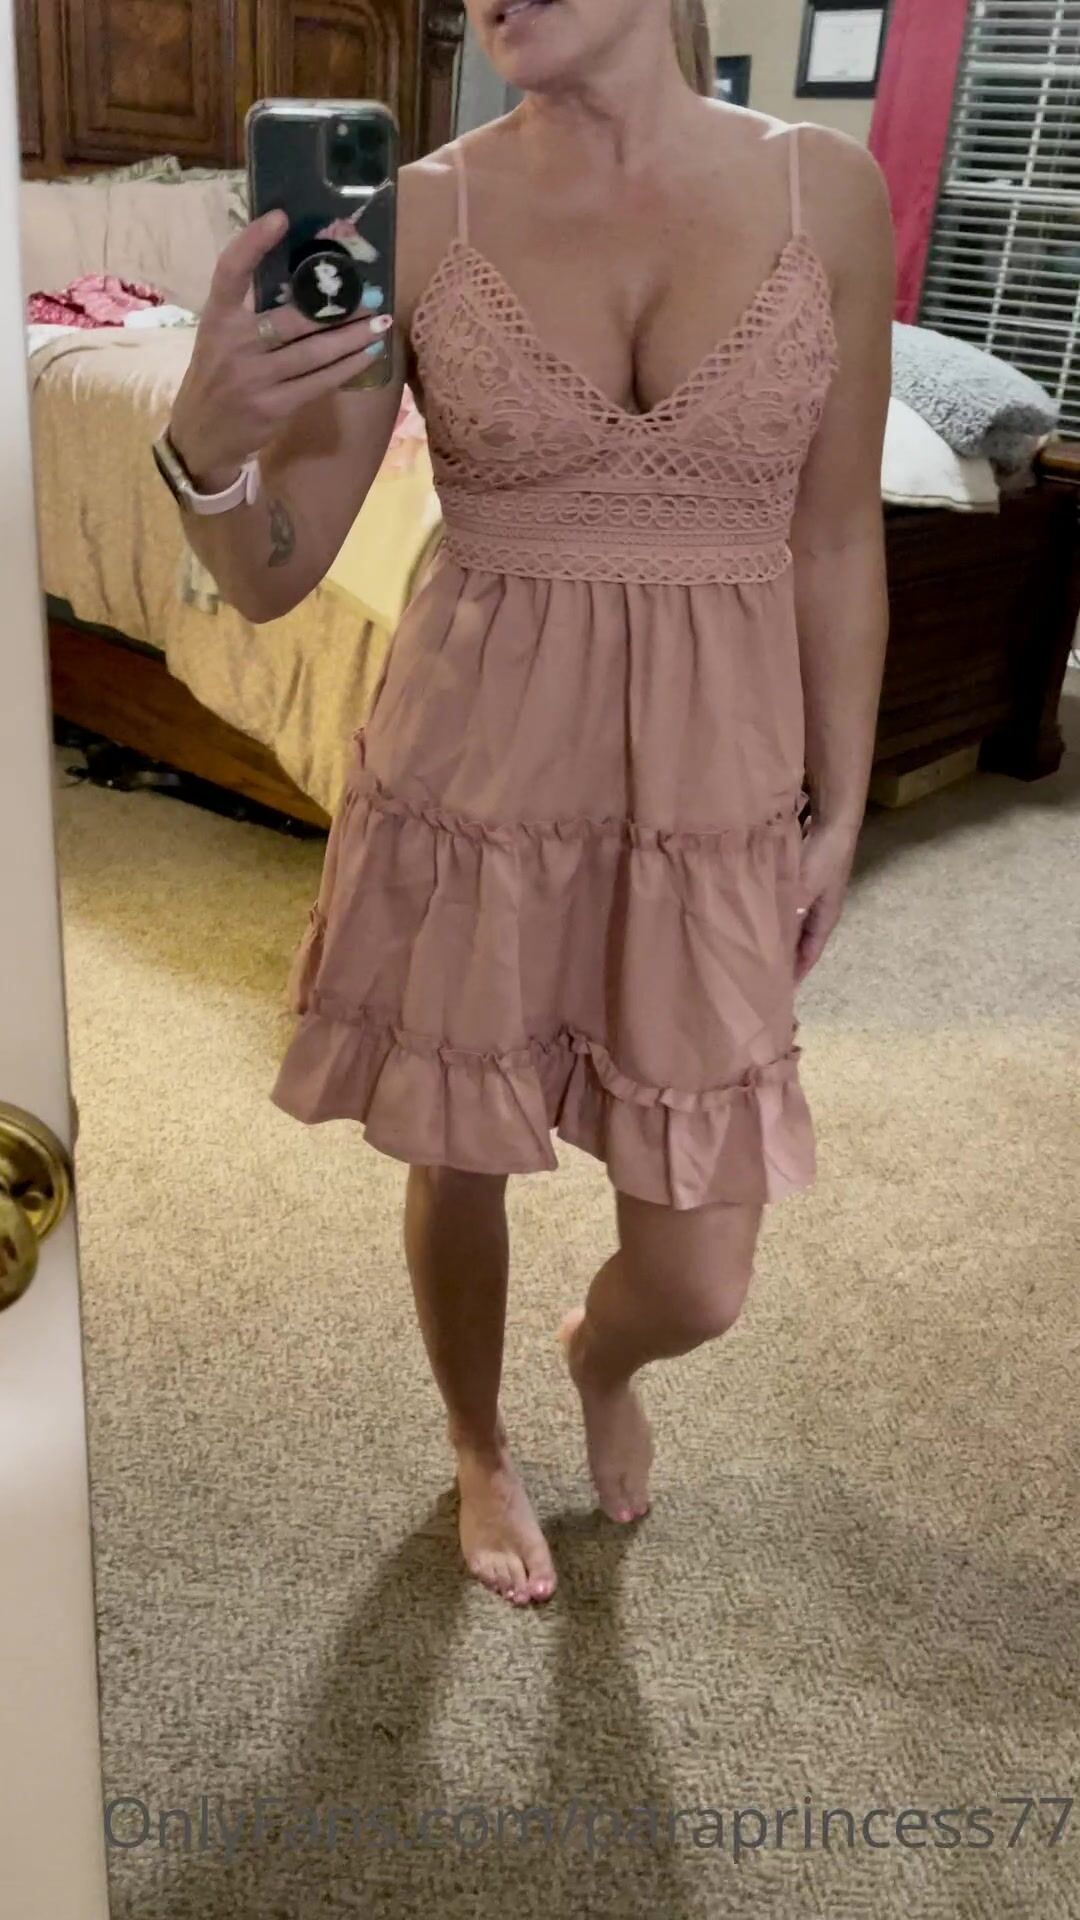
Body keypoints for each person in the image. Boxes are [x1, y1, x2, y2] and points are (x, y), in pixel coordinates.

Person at [165, 0, 894, 1608]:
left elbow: (839, 537)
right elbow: (275, 573)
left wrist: (840, 807)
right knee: (461, 1146)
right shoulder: (414, 211)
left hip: (706, 796)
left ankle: (601, 1357)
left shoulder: (823, 191)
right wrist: (205, 448)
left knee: (701, 1276)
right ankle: (478, 1441)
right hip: (474, 780)